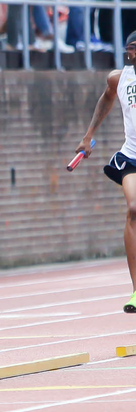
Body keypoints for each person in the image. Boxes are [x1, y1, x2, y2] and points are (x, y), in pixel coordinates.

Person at [71, 34, 136, 313]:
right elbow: (106, 100)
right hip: (131, 156)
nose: (132, 55)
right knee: (134, 209)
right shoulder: (118, 79)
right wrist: (88, 137)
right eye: (130, 50)